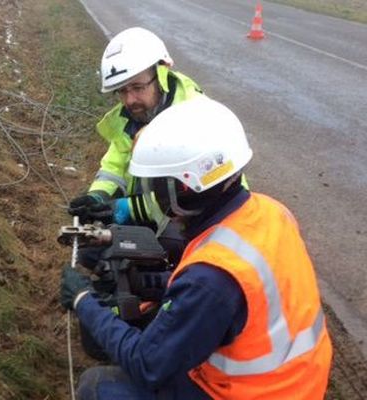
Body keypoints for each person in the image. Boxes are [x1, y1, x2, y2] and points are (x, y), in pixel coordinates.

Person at [60, 97, 332, 399]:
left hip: (249, 392)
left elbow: (147, 364)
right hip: (296, 381)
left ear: (183, 188)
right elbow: (230, 298)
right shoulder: (270, 212)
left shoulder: (211, 277)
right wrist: (146, 284)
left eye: (157, 187)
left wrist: (84, 301)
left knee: (98, 387)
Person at [68, 26, 204, 227]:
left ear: (161, 74)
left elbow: (192, 200)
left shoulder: (194, 116)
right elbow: (114, 168)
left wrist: (125, 209)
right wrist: (97, 196)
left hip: (199, 223)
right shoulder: (131, 119)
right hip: (153, 214)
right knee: (94, 253)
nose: (130, 100)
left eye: (138, 88)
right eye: (122, 91)